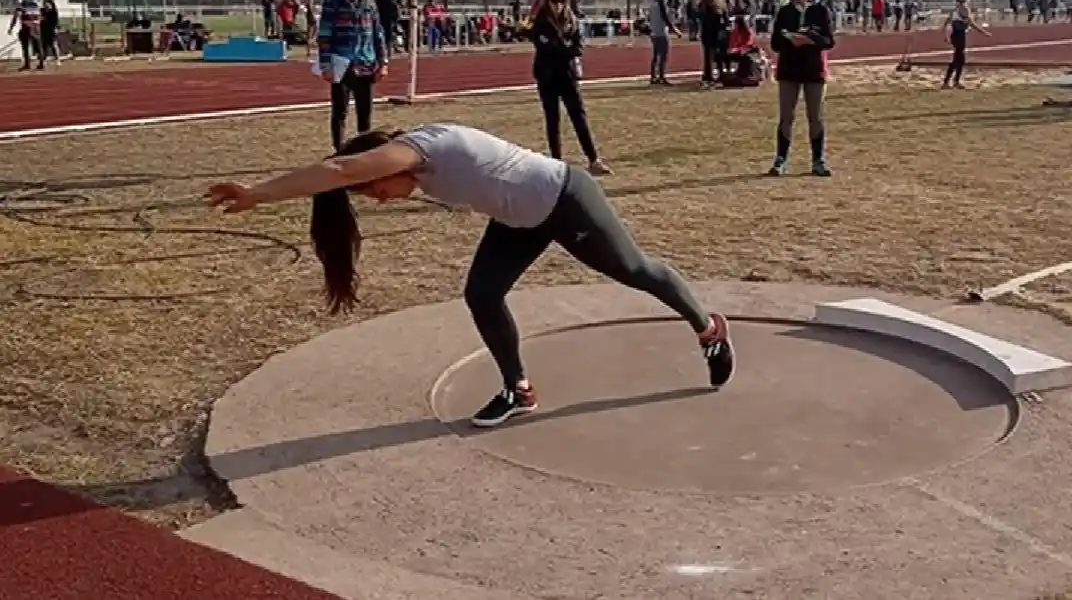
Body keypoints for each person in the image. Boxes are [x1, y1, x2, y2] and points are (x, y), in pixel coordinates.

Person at [204, 124, 736, 427]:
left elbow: (339, 169)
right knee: (482, 294)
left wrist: (256, 193)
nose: (378, 201)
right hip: (519, 218)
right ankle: (518, 389)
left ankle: (707, 327)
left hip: (567, 199)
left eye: (373, 191)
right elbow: (340, 171)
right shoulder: (413, 163)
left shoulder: (425, 149)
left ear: (383, 166)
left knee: (634, 270)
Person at [532, 0, 611, 175]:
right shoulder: (540, 22)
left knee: (579, 117)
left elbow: (579, 47)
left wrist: (564, 47)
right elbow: (545, 44)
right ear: (547, 1)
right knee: (553, 119)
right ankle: (556, 161)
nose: (558, 6)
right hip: (547, 76)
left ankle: (593, 159)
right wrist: (564, 46)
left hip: (568, 75)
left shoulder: (572, 20)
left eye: (561, 1)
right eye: (554, 1)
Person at [768, 0, 835, 177]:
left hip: (814, 70)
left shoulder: (821, 11)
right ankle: (781, 159)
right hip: (789, 70)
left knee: (816, 116)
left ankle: (818, 160)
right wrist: (791, 39)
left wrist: (811, 37)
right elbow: (775, 44)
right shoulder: (785, 12)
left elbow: (829, 41)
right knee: (786, 116)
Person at [317, 0, 389, 149]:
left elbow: (377, 34)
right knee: (340, 110)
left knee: (364, 111)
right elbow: (324, 36)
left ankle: (364, 150)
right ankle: (339, 149)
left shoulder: (369, 3)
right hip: (340, 63)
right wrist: (325, 65)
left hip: (366, 62)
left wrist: (383, 63)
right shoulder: (331, 3)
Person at [941, 0, 990, 89]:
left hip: (955, 35)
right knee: (958, 59)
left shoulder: (955, 9)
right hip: (959, 35)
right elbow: (971, 23)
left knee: (959, 59)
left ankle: (953, 81)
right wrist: (984, 32)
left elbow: (946, 24)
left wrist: (946, 36)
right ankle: (950, 81)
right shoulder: (964, 9)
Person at [647, 0, 681, 85]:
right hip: (661, 32)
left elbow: (650, 18)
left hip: (653, 32)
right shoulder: (662, 5)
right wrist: (675, 31)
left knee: (655, 56)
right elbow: (666, 19)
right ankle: (662, 76)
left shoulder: (652, 5)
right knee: (663, 56)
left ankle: (653, 77)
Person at [7, 0, 45, 71]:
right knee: (38, 46)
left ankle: (27, 64)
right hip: (36, 28)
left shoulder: (21, 5)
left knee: (25, 47)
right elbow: (41, 16)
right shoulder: (36, 5)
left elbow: (16, 16)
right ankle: (41, 63)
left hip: (26, 27)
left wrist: (11, 28)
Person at [698, 0, 728, 87]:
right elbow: (726, 19)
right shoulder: (720, 4)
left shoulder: (703, 4)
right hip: (717, 32)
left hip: (707, 32)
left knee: (708, 55)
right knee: (718, 54)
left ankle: (708, 75)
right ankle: (720, 74)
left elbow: (699, 17)